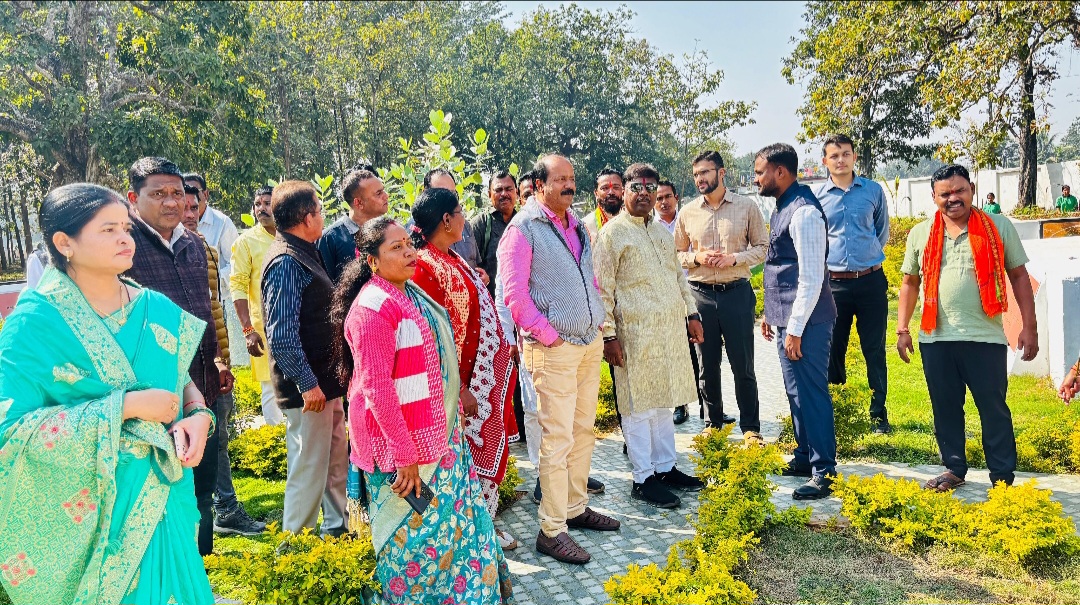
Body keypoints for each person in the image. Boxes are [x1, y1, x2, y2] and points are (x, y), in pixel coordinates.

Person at [0, 183, 214, 604]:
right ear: (65, 243)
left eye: (126, 229)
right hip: (92, 518)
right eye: (108, 230)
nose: (124, 238)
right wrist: (125, 407)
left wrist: (199, 417)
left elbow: (182, 381)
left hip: (163, 494)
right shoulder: (35, 323)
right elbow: (10, 432)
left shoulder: (155, 308)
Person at [334, 217, 513, 605]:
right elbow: (377, 390)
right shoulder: (372, 309)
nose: (409, 252)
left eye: (408, 243)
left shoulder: (409, 295)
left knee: (458, 533)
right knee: (413, 546)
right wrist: (405, 455)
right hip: (403, 455)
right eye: (395, 248)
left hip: (441, 441)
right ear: (372, 261)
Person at [497, 154, 620, 565]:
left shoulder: (576, 225)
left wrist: (598, 320)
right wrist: (549, 336)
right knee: (556, 439)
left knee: (584, 431)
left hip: (588, 343)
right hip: (553, 349)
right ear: (539, 184)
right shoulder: (522, 229)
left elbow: (589, 278)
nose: (570, 185)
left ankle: (574, 507)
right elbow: (514, 295)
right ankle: (551, 529)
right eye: (561, 179)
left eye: (572, 178)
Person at [897, 164, 1038, 491]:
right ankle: (954, 469)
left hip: (985, 338)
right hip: (935, 338)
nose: (953, 198)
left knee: (993, 411)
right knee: (945, 409)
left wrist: (1029, 327)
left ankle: (1002, 479)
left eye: (959, 190)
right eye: (945, 194)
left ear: (972, 189)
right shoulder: (920, 233)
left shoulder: (997, 226)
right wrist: (902, 328)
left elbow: (1019, 277)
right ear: (933, 197)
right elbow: (909, 283)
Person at [124, 156, 230, 556]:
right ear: (134, 198)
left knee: (202, 486)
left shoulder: (192, 245)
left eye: (177, 193)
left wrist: (219, 358)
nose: (171, 202)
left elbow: (206, 310)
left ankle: (200, 572)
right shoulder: (124, 247)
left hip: (201, 387)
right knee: (158, 495)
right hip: (151, 397)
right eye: (159, 194)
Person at [409, 187, 520, 550]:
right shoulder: (424, 266)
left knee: (477, 462)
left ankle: (480, 529)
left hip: (478, 381)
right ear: (445, 220)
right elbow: (433, 336)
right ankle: (463, 537)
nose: (464, 219)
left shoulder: (450, 258)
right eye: (458, 212)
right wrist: (459, 387)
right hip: (461, 389)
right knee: (459, 465)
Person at [595, 163, 705, 509]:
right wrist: (609, 337)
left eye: (650, 188)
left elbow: (678, 278)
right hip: (633, 335)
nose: (644, 193)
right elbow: (603, 291)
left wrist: (691, 313)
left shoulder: (660, 232)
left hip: (669, 333)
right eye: (636, 187)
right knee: (638, 405)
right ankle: (643, 478)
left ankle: (665, 467)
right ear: (625, 191)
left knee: (663, 400)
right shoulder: (611, 235)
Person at [261, 180, 348, 536]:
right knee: (309, 467)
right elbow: (280, 335)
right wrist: (307, 383)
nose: (323, 216)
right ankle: (295, 547)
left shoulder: (304, 251)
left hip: (325, 385)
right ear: (306, 216)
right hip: (308, 390)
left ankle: (337, 530)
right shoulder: (285, 261)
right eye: (320, 209)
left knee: (332, 464)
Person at [755, 143, 839, 501]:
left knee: (812, 392)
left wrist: (795, 329)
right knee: (795, 392)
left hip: (808, 323)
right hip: (787, 318)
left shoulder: (804, 212)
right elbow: (779, 266)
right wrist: (769, 314)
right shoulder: (783, 205)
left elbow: (810, 279)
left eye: (760, 172)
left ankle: (825, 472)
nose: (757, 178)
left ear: (780, 172)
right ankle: (805, 457)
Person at [181, 187, 266, 536]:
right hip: (181, 369)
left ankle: (223, 507)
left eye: (192, 204)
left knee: (218, 437)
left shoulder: (206, 249)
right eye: (178, 204)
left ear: (204, 204)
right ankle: (210, 510)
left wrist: (222, 361)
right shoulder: (153, 253)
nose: (186, 210)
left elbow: (213, 311)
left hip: (213, 361)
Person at [675, 150, 767, 443]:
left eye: (705, 172)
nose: (700, 179)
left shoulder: (747, 207)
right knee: (707, 365)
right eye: (696, 175)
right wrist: (697, 257)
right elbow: (675, 255)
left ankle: (751, 428)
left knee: (744, 366)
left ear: (721, 172)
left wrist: (735, 259)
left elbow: (764, 247)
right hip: (700, 297)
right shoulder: (687, 212)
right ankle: (712, 424)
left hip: (737, 294)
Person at [814, 134, 891, 434]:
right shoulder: (818, 196)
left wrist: (865, 257)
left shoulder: (872, 190)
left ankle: (878, 413)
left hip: (871, 280)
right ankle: (839, 408)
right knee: (833, 348)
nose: (841, 160)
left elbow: (880, 232)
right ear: (825, 161)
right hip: (834, 285)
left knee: (874, 348)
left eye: (846, 154)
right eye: (834, 156)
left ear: (854, 156)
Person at [229, 186, 285, 426]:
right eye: (258, 204)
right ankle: (275, 443)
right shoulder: (246, 242)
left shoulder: (291, 236)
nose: (261, 208)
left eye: (267, 203)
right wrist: (248, 330)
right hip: (263, 326)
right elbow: (238, 286)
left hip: (296, 324)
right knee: (270, 386)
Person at [655, 180, 707, 426]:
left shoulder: (687, 220)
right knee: (675, 353)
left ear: (676, 197)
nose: (663, 202)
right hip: (665, 298)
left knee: (700, 352)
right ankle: (680, 404)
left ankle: (708, 407)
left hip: (694, 292)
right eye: (658, 198)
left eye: (667, 196)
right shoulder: (650, 226)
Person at [317, 169, 389, 284]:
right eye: (379, 193)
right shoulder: (330, 239)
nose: (386, 196)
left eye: (383, 191)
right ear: (359, 203)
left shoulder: (388, 230)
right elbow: (325, 288)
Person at [184, 172, 239, 294]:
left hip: (214, 301)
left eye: (194, 190)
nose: (189, 194)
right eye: (183, 191)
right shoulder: (173, 224)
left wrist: (212, 280)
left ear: (205, 194)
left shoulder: (222, 223)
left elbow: (237, 263)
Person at [424, 169, 483, 275]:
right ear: (425, 194)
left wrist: (481, 279)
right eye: (442, 194)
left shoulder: (465, 226)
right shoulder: (417, 229)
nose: (449, 200)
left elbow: (475, 264)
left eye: (452, 194)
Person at [472, 169, 519, 299]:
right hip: (489, 304)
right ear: (489, 194)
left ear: (517, 192)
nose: (504, 194)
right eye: (498, 190)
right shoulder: (480, 224)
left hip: (520, 304)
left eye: (509, 189)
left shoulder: (523, 223)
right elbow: (468, 264)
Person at [585, 167, 624, 243]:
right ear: (596, 194)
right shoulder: (585, 226)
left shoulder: (634, 221)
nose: (611, 192)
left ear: (623, 191)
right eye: (605, 188)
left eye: (616, 187)